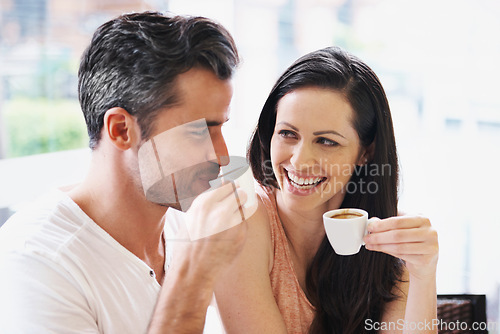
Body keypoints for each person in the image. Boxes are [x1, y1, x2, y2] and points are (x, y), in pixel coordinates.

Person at [0, 11, 250, 333]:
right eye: (198, 132)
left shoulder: (188, 220)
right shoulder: (36, 263)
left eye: (220, 128)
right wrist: (194, 274)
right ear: (120, 130)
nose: (221, 156)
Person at [214, 47, 439, 333]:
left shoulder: (390, 238)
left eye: (327, 142)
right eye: (287, 133)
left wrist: (424, 272)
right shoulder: (243, 216)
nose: (299, 161)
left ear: (364, 154)